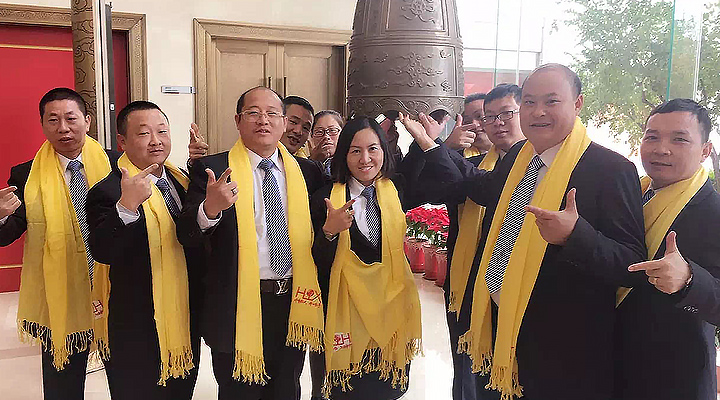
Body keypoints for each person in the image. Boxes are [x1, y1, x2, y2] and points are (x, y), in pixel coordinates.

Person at [401, 63, 646, 400]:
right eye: (530, 102)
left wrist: (576, 235)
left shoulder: (610, 169)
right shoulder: (520, 158)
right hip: (498, 325)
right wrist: (432, 145)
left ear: (577, 103)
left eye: (551, 101)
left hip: (561, 349)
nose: (538, 112)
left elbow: (631, 265)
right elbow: (477, 188)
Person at [176, 86, 326, 400]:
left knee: (286, 390)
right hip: (236, 303)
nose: (263, 120)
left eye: (272, 114)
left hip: (292, 302)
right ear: (238, 120)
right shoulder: (214, 170)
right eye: (253, 113)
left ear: (283, 122)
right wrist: (210, 209)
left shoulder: (307, 172)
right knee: (238, 392)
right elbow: (186, 234)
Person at [0, 88, 119, 400]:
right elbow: (8, 233)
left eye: (70, 118)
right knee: (62, 382)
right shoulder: (26, 174)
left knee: (127, 379)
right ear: (42, 125)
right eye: (53, 120)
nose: (63, 128)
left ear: (87, 121)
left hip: (115, 286)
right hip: (60, 288)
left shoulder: (117, 164)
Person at [85, 101, 202, 399]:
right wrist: (127, 206)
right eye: (143, 133)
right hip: (135, 323)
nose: (155, 141)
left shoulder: (181, 181)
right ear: (122, 141)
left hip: (184, 313)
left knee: (180, 391)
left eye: (162, 131)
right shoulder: (108, 190)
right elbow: (103, 250)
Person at [310, 116, 422, 400]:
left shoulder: (398, 189)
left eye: (373, 149)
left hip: (390, 307)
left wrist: (426, 140)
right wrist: (329, 232)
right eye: (355, 151)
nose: (365, 159)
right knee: (343, 391)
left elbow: (448, 180)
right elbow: (313, 263)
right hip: (343, 313)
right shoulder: (324, 198)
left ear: (384, 150)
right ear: (343, 154)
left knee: (386, 389)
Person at [614, 98, 720, 400]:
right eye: (652, 137)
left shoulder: (713, 212)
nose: (662, 149)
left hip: (673, 379)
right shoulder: (627, 194)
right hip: (611, 368)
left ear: (705, 151)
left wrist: (689, 279)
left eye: (679, 139)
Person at [442, 84, 526, 400]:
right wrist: (445, 148)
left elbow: (489, 189)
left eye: (506, 114)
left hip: (515, 287)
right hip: (466, 283)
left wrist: (437, 148)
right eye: (488, 117)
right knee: (467, 368)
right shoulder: (470, 165)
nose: (492, 123)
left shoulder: (541, 167)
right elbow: (427, 187)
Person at [444, 93, 493, 158]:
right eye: (467, 121)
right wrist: (447, 146)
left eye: (480, 117)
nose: (474, 124)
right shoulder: (457, 157)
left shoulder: (505, 153)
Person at [309, 110, 344, 176]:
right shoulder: (302, 165)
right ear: (312, 136)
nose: (326, 136)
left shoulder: (352, 162)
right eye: (319, 132)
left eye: (332, 130)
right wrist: (313, 161)